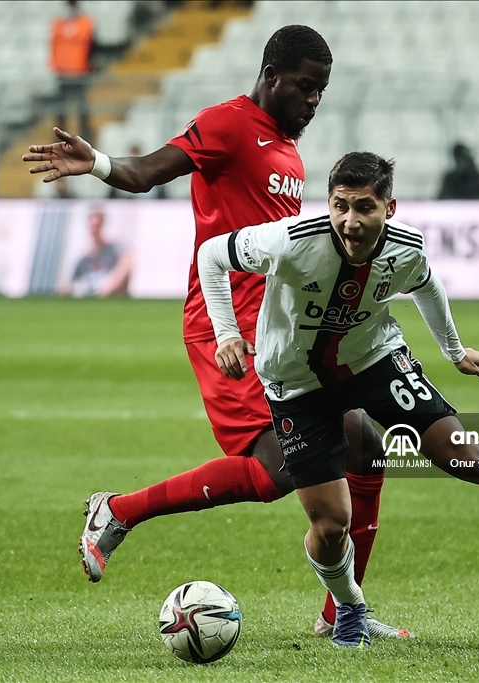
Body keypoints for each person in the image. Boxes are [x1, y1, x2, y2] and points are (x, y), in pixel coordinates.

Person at [23, 25, 406, 639]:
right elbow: (149, 170)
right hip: (227, 330)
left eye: (322, 92)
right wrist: (94, 162)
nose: (313, 101)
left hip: (284, 334)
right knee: (276, 472)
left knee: (364, 443)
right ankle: (117, 511)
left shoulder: (288, 151)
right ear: (272, 75)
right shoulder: (228, 124)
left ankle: (345, 616)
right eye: (305, 88)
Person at [197, 152, 479, 648]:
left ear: (389, 206)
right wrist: (227, 333)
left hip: (372, 361)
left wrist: (454, 350)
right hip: (296, 384)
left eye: (364, 207)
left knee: (466, 456)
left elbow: (427, 285)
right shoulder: (291, 239)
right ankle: (350, 609)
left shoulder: (406, 247)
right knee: (331, 522)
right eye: (340, 205)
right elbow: (212, 253)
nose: (350, 220)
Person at [50, 0, 96, 142]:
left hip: (80, 72)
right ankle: (60, 137)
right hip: (63, 72)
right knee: (61, 109)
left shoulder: (85, 23)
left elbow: (90, 44)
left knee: (81, 108)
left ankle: (85, 136)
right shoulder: (58, 24)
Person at [65, 208, 134, 297]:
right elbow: (70, 283)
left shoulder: (116, 248)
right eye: (92, 226)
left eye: (97, 225)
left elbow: (128, 261)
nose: (94, 230)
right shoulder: (83, 259)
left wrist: (111, 285)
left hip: (111, 296)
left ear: (103, 224)